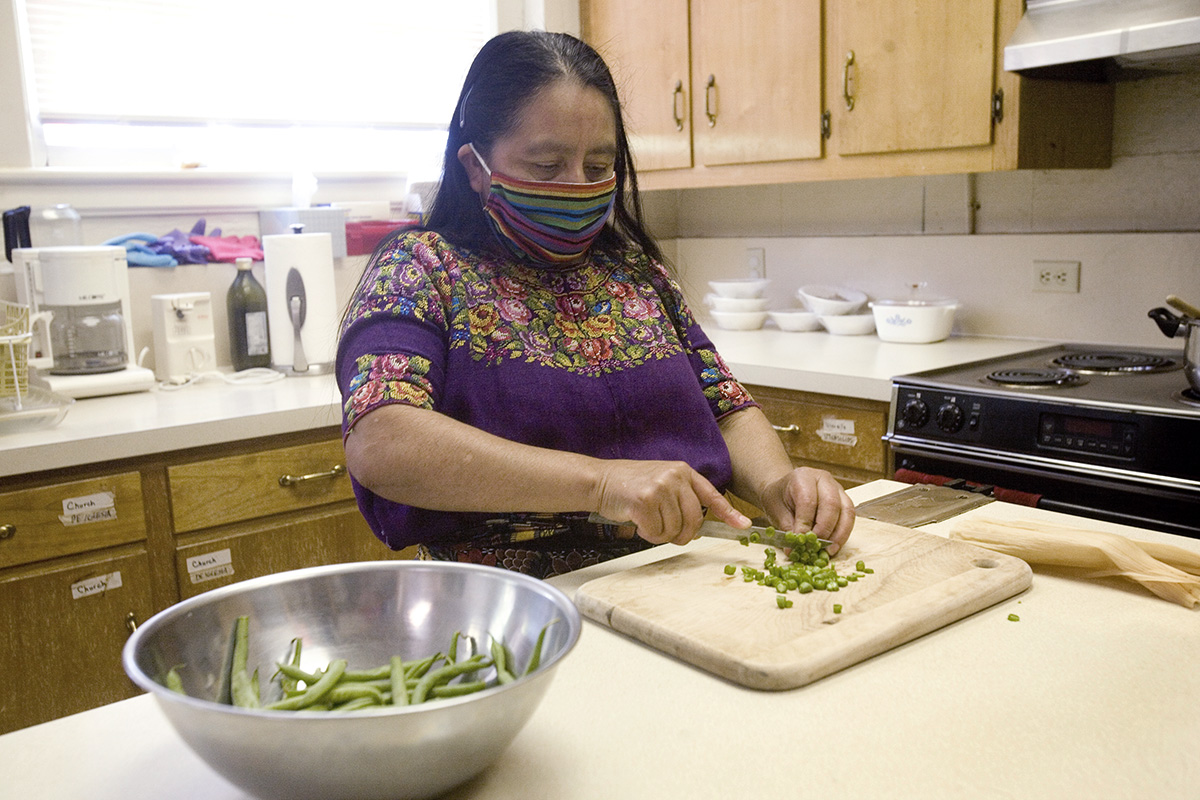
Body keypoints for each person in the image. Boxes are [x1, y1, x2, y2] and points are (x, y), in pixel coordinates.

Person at [336, 30, 855, 579]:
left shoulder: (633, 273)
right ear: (474, 167)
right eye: (546, 165)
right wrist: (603, 483)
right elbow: (383, 438)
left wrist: (778, 484)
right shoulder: (420, 269)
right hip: (510, 600)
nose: (576, 187)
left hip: (677, 581)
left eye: (597, 165)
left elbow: (724, 406)